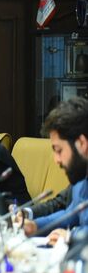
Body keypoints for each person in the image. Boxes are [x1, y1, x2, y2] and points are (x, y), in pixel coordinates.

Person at [23, 97, 88, 240]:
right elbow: (71, 214)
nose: (56, 159)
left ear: (82, 143)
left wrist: (71, 236)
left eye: (59, 150)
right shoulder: (81, 177)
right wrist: (35, 226)